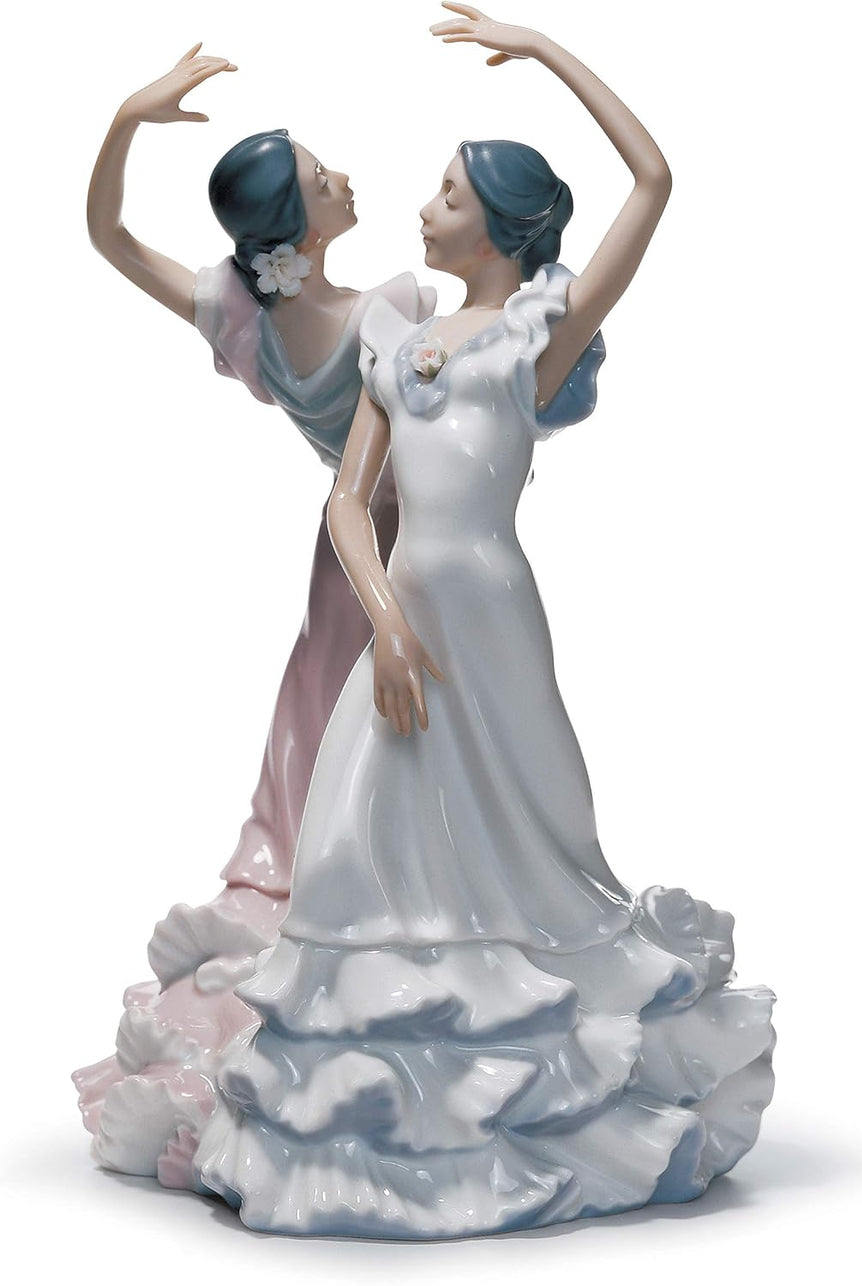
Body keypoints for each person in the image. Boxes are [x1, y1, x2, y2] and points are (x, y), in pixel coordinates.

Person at [191, 6, 776, 1239]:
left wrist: (548, 52)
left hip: (496, 622)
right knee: (359, 841)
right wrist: (388, 623)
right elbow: (349, 503)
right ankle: (383, 1080)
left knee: (532, 830)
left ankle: (537, 1051)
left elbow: (654, 180)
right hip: (408, 625)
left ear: (501, 225)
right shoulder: (397, 349)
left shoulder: (535, 338)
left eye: (450, 191)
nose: (426, 205)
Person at [71, 44, 435, 1188]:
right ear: (302, 226)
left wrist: (127, 121)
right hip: (405, 550)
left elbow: (108, 235)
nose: (344, 179)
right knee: (377, 733)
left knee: (318, 725)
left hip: (342, 554)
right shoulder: (389, 310)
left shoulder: (252, 314)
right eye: (325, 179)